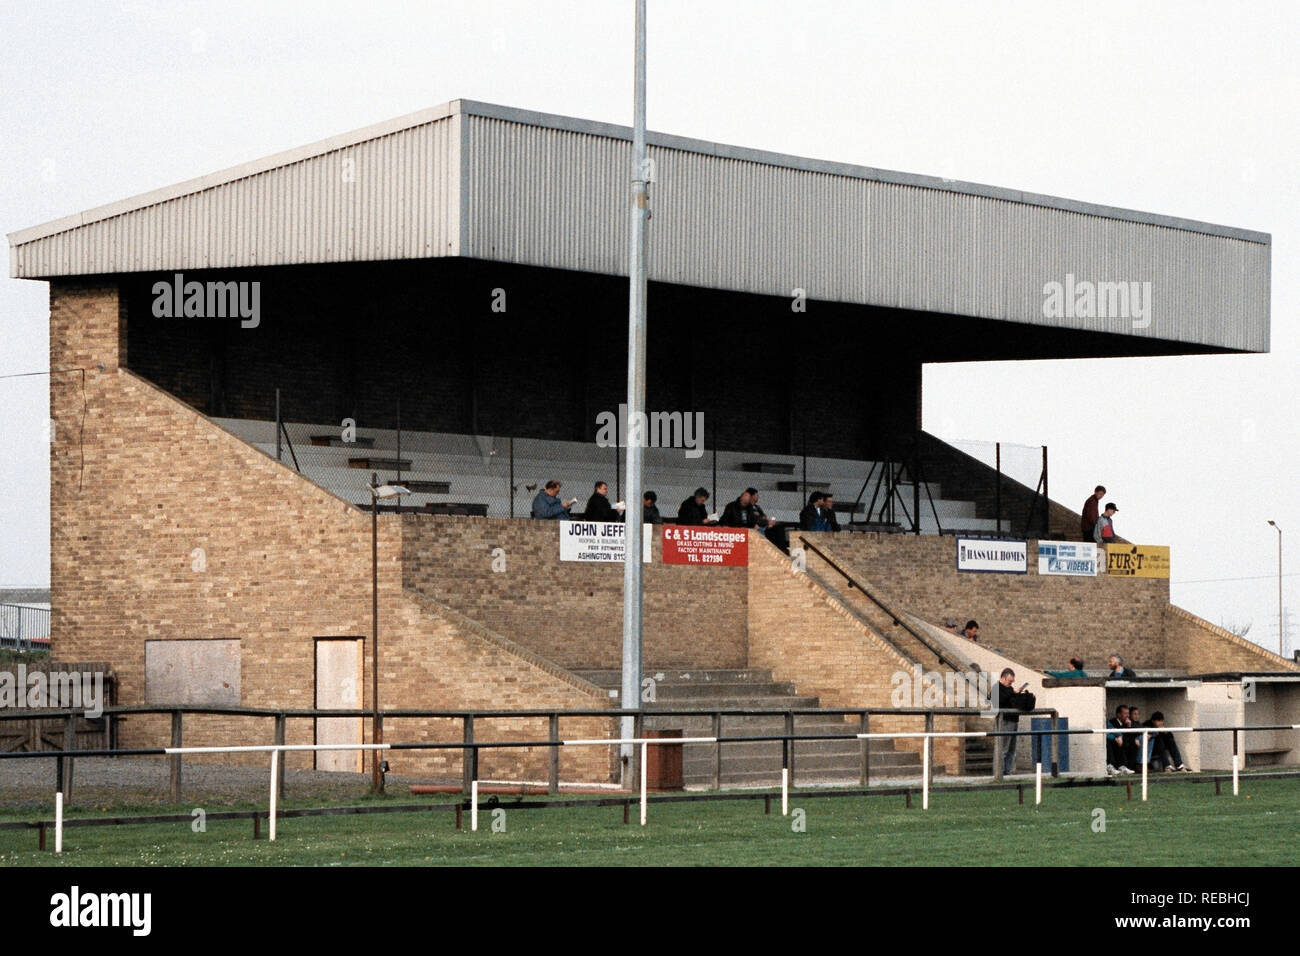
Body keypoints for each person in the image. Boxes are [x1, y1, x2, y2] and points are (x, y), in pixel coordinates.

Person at [996, 668, 1035, 775]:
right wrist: (1013, 692)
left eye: (1012, 682)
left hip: (1013, 720)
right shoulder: (997, 688)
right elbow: (999, 701)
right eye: (1009, 681)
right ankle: (1000, 772)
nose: (1011, 683)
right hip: (1005, 721)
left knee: (1011, 749)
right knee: (1003, 748)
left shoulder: (1009, 688)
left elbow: (1012, 701)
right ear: (1003, 678)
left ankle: (1007, 771)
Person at [1106, 705, 1135, 775]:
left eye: (1128, 713)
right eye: (1125, 713)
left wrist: (1129, 727)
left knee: (1133, 744)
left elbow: (1128, 736)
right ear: (1118, 714)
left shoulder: (1127, 722)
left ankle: (1125, 766)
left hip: (1120, 742)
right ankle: (1114, 766)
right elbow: (1109, 731)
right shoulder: (1113, 721)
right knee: (1117, 743)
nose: (1127, 716)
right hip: (1111, 742)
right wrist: (1117, 737)